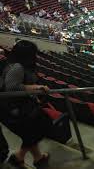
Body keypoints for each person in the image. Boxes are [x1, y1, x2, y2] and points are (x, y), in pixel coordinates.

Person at [0, 40, 51, 169]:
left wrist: (33, 96)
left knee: (31, 133)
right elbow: (11, 88)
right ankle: (19, 156)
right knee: (40, 127)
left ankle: (33, 158)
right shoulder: (17, 67)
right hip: (13, 110)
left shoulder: (17, 65)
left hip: (19, 106)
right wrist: (36, 87)